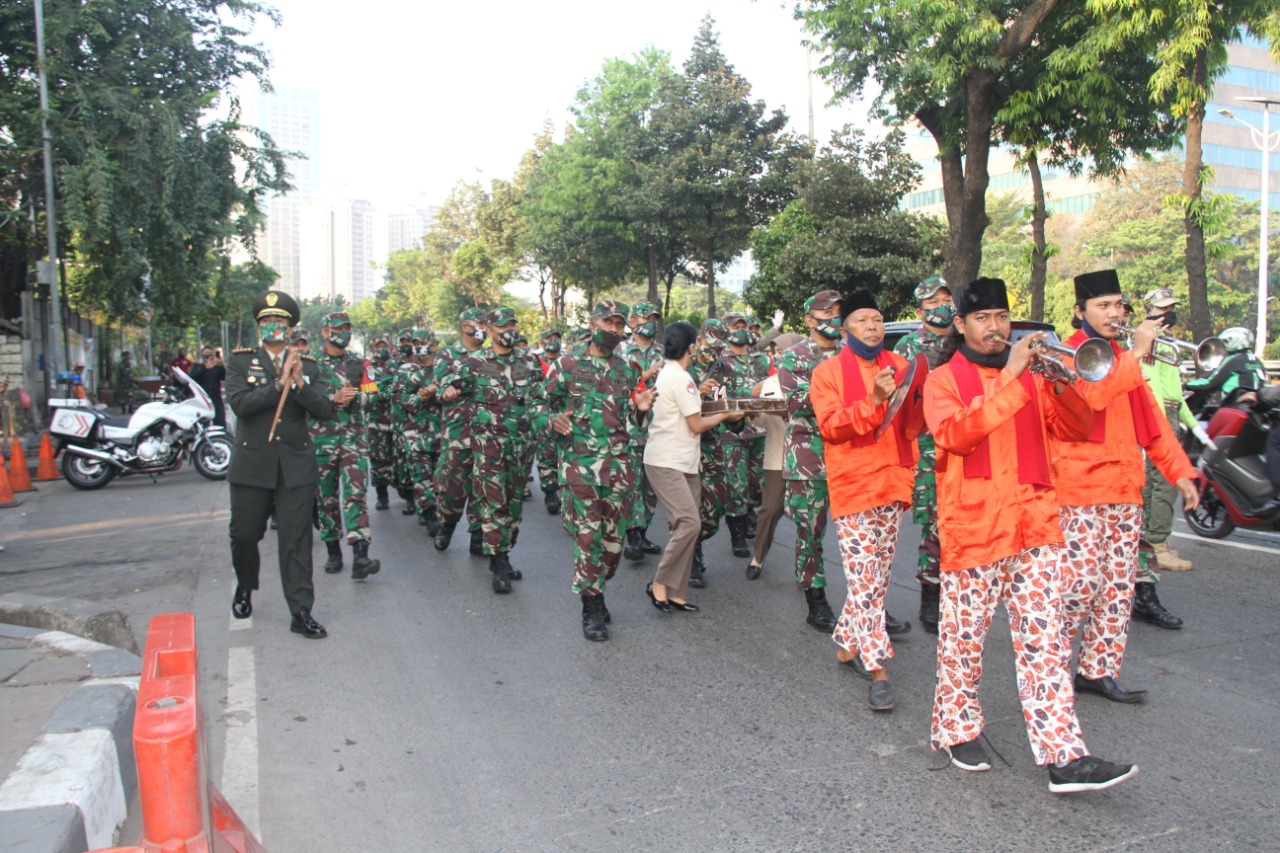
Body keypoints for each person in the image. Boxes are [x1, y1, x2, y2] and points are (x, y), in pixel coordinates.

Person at [924, 276, 1138, 793]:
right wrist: (1013, 377)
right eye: (982, 318)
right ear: (961, 325)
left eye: (1001, 317)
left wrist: (1061, 383)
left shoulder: (1036, 376)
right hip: (975, 528)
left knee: (1045, 644)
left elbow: (1077, 429)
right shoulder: (942, 380)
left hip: (1036, 525)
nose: (995, 327)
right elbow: (956, 435)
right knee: (963, 641)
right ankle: (956, 729)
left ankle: (1064, 756)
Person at [1053, 269, 1198, 705]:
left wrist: (1180, 473)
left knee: (1117, 588)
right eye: (1103, 306)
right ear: (1080, 311)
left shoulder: (1123, 357)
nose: (1114, 313)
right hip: (1078, 490)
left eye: (1118, 305)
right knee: (1077, 586)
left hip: (1124, 490)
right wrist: (1135, 355)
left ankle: (1097, 671)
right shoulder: (1064, 355)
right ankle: (1049, 667)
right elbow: (1088, 402)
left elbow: (1152, 424)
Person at [812, 291, 925, 712]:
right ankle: (877, 668)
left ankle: (847, 643)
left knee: (875, 577)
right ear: (845, 330)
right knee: (863, 579)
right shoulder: (827, 372)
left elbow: (915, 422)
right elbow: (831, 427)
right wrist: (875, 400)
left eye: (877, 319)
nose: (873, 326)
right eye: (862, 320)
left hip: (892, 480)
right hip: (854, 484)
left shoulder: (899, 365)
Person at [534, 301, 655, 641]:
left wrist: (641, 409)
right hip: (581, 466)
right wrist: (551, 420)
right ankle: (592, 606)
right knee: (588, 537)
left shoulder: (627, 369)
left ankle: (598, 585)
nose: (614, 329)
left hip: (618, 468)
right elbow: (538, 404)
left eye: (619, 324)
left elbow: (635, 420)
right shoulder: (567, 365)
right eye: (608, 322)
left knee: (613, 544)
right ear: (593, 323)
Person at [226, 290, 339, 639]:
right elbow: (240, 405)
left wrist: (300, 384)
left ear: (290, 328)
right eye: (267, 321)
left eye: (279, 321)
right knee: (244, 534)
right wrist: (279, 384)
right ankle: (245, 584)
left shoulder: (311, 366)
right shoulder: (241, 362)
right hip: (252, 464)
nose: (273, 325)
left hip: (295, 465)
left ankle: (301, 611)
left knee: (296, 541)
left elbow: (326, 410)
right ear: (259, 326)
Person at [644, 321, 743, 612]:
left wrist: (713, 401)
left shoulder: (671, 373)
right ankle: (659, 583)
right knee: (689, 523)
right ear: (693, 346)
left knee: (687, 523)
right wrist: (726, 414)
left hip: (686, 460)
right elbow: (697, 424)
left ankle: (675, 591)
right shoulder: (682, 377)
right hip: (669, 461)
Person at [444, 308, 539, 592]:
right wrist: (447, 392)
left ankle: (504, 551)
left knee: (514, 506)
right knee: (493, 504)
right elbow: (448, 387)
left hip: (520, 447)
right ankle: (498, 562)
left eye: (512, 325)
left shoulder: (528, 362)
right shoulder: (475, 362)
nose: (509, 330)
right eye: (502, 326)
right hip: (488, 449)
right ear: (489, 329)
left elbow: (540, 396)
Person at [1132, 288, 1197, 628]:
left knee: (1153, 492)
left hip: (1165, 413)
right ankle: (1158, 543)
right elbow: (1147, 386)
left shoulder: (1168, 343)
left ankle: (1146, 585)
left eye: (1171, 307)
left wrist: (1193, 426)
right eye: (1161, 308)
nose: (1167, 312)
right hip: (1149, 415)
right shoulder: (1142, 341)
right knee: (1156, 488)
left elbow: (1174, 392)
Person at [893, 276, 954, 634]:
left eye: (945, 300)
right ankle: (930, 597)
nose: (941, 307)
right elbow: (900, 402)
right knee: (935, 523)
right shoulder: (909, 346)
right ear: (920, 311)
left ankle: (958, 594)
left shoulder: (965, 340)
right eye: (933, 303)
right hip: (929, 449)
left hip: (966, 444)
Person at [312, 312, 379, 580]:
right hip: (321, 442)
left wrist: (354, 398)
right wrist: (332, 398)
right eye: (337, 328)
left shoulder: (360, 364)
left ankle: (360, 555)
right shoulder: (311, 365)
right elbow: (303, 399)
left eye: (346, 328)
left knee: (356, 495)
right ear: (325, 332)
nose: (343, 333)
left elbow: (373, 396)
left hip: (353, 441)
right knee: (326, 499)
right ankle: (333, 550)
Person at [745, 333, 804, 580]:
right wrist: (751, 407)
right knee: (769, 509)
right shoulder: (769, 383)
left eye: (782, 351)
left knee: (807, 516)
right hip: (777, 456)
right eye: (776, 352)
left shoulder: (814, 379)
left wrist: (789, 413)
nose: (778, 356)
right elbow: (761, 421)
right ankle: (757, 558)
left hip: (807, 458)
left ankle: (807, 567)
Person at [433, 309, 489, 553]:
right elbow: (441, 383)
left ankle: (477, 535)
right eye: (479, 324)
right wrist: (446, 390)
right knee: (452, 486)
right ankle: (447, 524)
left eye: (485, 324)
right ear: (465, 326)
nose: (483, 328)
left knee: (483, 485)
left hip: (488, 430)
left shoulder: (492, 355)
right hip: (458, 431)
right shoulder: (448, 354)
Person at [719, 311, 772, 556]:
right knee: (736, 487)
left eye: (743, 326)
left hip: (760, 430)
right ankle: (737, 536)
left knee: (759, 484)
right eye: (734, 327)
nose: (740, 331)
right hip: (734, 434)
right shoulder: (719, 361)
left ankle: (750, 513)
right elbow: (717, 396)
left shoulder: (761, 360)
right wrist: (748, 391)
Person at [620, 303, 665, 561]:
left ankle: (643, 531)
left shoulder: (664, 353)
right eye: (645, 318)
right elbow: (615, 389)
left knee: (650, 487)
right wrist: (646, 375)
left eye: (654, 319)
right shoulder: (621, 352)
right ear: (632, 322)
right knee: (632, 484)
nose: (650, 323)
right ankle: (633, 535)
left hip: (659, 430)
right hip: (631, 429)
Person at [395, 329, 444, 536]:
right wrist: (420, 398)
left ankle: (438, 511)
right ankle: (430, 513)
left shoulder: (445, 368)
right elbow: (399, 399)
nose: (418, 347)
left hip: (442, 433)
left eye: (423, 343)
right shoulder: (405, 370)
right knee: (421, 477)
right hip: (415, 434)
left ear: (434, 345)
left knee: (441, 479)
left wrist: (439, 392)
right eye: (415, 343)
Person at [366, 334, 399, 511]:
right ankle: (382, 496)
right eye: (378, 346)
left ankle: (409, 496)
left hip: (397, 421)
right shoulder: (367, 369)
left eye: (384, 346)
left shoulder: (397, 366)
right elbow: (368, 394)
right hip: (376, 422)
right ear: (372, 349)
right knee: (378, 461)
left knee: (402, 461)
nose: (381, 350)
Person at [534, 328, 564, 515]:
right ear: (542, 343)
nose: (552, 341)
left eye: (556, 338)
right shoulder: (535, 362)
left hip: (565, 413)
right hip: (544, 413)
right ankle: (550, 491)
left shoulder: (569, 362)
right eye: (548, 338)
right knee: (546, 454)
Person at [189, 346, 227, 428]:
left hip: (216, 400)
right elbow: (193, 378)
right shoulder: (197, 366)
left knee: (220, 423)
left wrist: (221, 365)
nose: (208, 357)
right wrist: (205, 368)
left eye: (210, 355)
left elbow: (225, 377)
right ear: (202, 355)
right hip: (202, 400)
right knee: (203, 425)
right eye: (206, 355)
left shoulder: (217, 367)